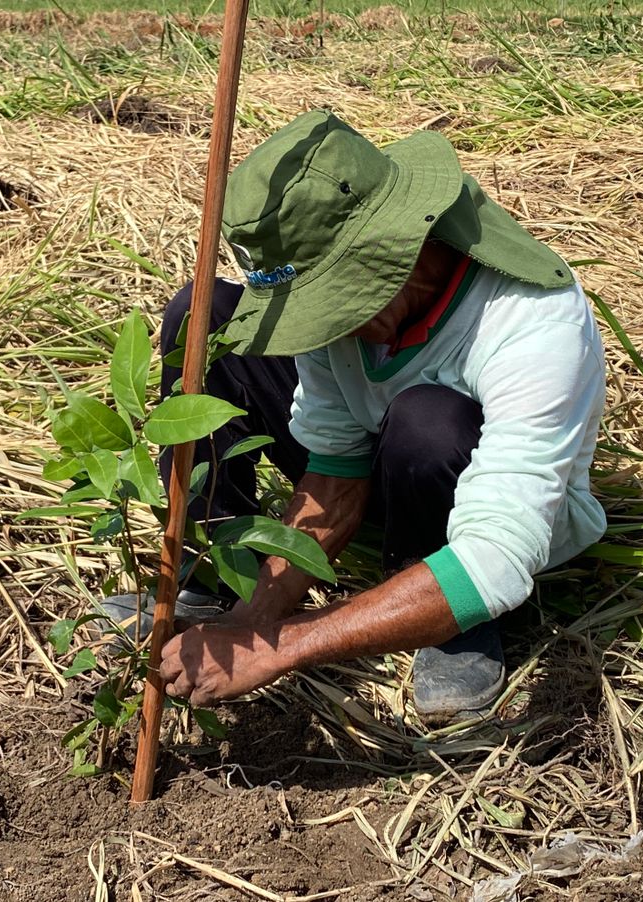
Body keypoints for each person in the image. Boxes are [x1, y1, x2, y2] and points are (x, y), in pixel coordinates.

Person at [103, 110, 608, 723]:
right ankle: (217, 573)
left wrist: (286, 644)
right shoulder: (347, 308)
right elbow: (335, 468)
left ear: (394, 253)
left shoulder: (532, 322)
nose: (322, 329)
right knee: (206, 318)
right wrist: (256, 616)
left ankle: (447, 625)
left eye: (330, 302)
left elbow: (498, 557)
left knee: (429, 421)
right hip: (380, 469)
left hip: (469, 517)